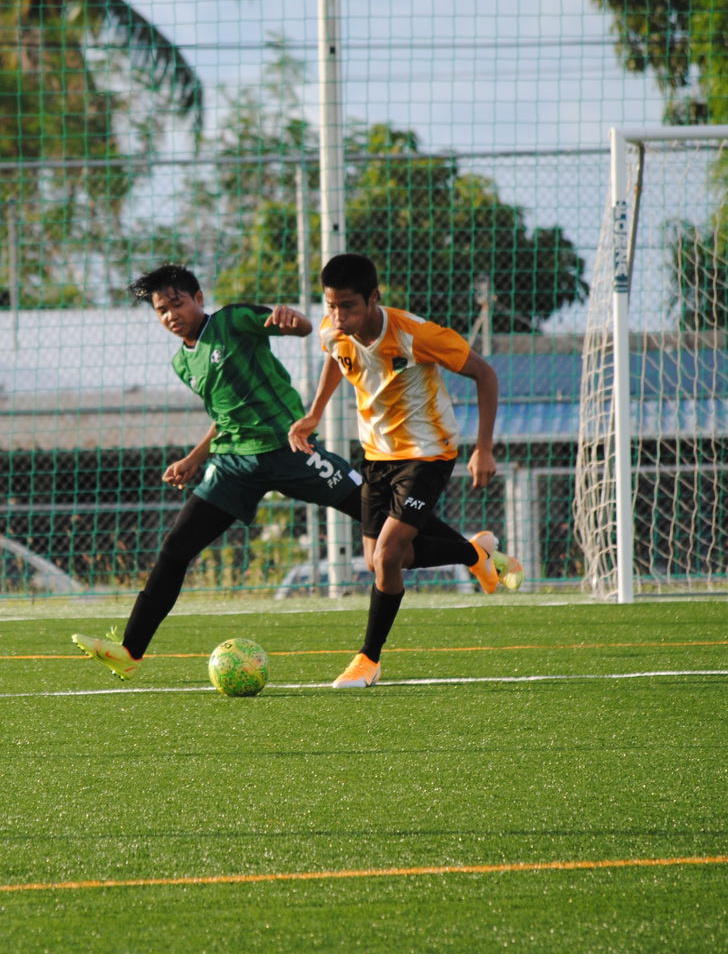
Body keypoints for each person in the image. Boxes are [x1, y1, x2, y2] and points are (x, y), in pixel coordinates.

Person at [71, 264, 377, 681]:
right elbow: (225, 414)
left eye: (177, 303)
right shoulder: (184, 362)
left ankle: (475, 556)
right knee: (175, 548)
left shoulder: (232, 321)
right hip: (234, 464)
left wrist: (295, 321)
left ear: (198, 298)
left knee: (379, 514)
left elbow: (302, 328)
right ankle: (130, 650)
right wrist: (196, 458)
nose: (170, 315)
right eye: (161, 310)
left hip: (286, 448)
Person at [290, 252, 522, 689]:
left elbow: (485, 374)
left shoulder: (416, 334)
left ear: (374, 297)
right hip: (377, 457)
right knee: (377, 562)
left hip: (428, 455)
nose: (339, 316)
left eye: (349, 306)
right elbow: (335, 357)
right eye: (332, 305)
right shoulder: (334, 329)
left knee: (387, 556)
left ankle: (368, 659)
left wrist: (484, 448)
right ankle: (475, 553)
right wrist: (314, 414)